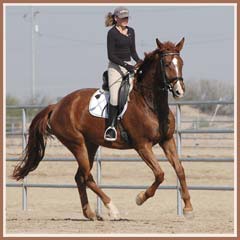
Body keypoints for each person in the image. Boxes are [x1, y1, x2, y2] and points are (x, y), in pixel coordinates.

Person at [104, 6, 142, 141]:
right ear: (116, 18)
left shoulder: (131, 31)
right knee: (114, 97)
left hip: (129, 65)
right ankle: (111, 127)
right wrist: (126, 66)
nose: (125, 20)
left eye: (126, 17)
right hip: (115, 67)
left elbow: (133, 52)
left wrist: (140, 62)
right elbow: (111, 55)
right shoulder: (112, 33)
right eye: (122, 18)